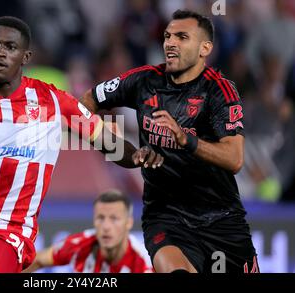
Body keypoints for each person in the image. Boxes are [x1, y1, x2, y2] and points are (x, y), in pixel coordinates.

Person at [0, 16, 164, 273]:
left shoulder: (53, 101)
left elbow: (109, 143)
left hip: (7, 232)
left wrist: (137, 155)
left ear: (25, 57)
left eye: (9, 47)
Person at [80, 10, 259, 273]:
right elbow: (85, 105)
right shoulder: (143, 80)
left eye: (182, 37)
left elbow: (234, 159)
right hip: (165, 217)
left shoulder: (219, 91)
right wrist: (126, 154)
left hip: (222, 221)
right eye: (167, 36)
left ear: (204, 47)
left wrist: (185, 139)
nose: (170, 43)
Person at [23, 190, 153, 273]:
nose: (106, 226)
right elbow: (39, 260)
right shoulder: (81, 244)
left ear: (128, 223)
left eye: (114, 219)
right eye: (100, 218)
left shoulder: (144, 263)